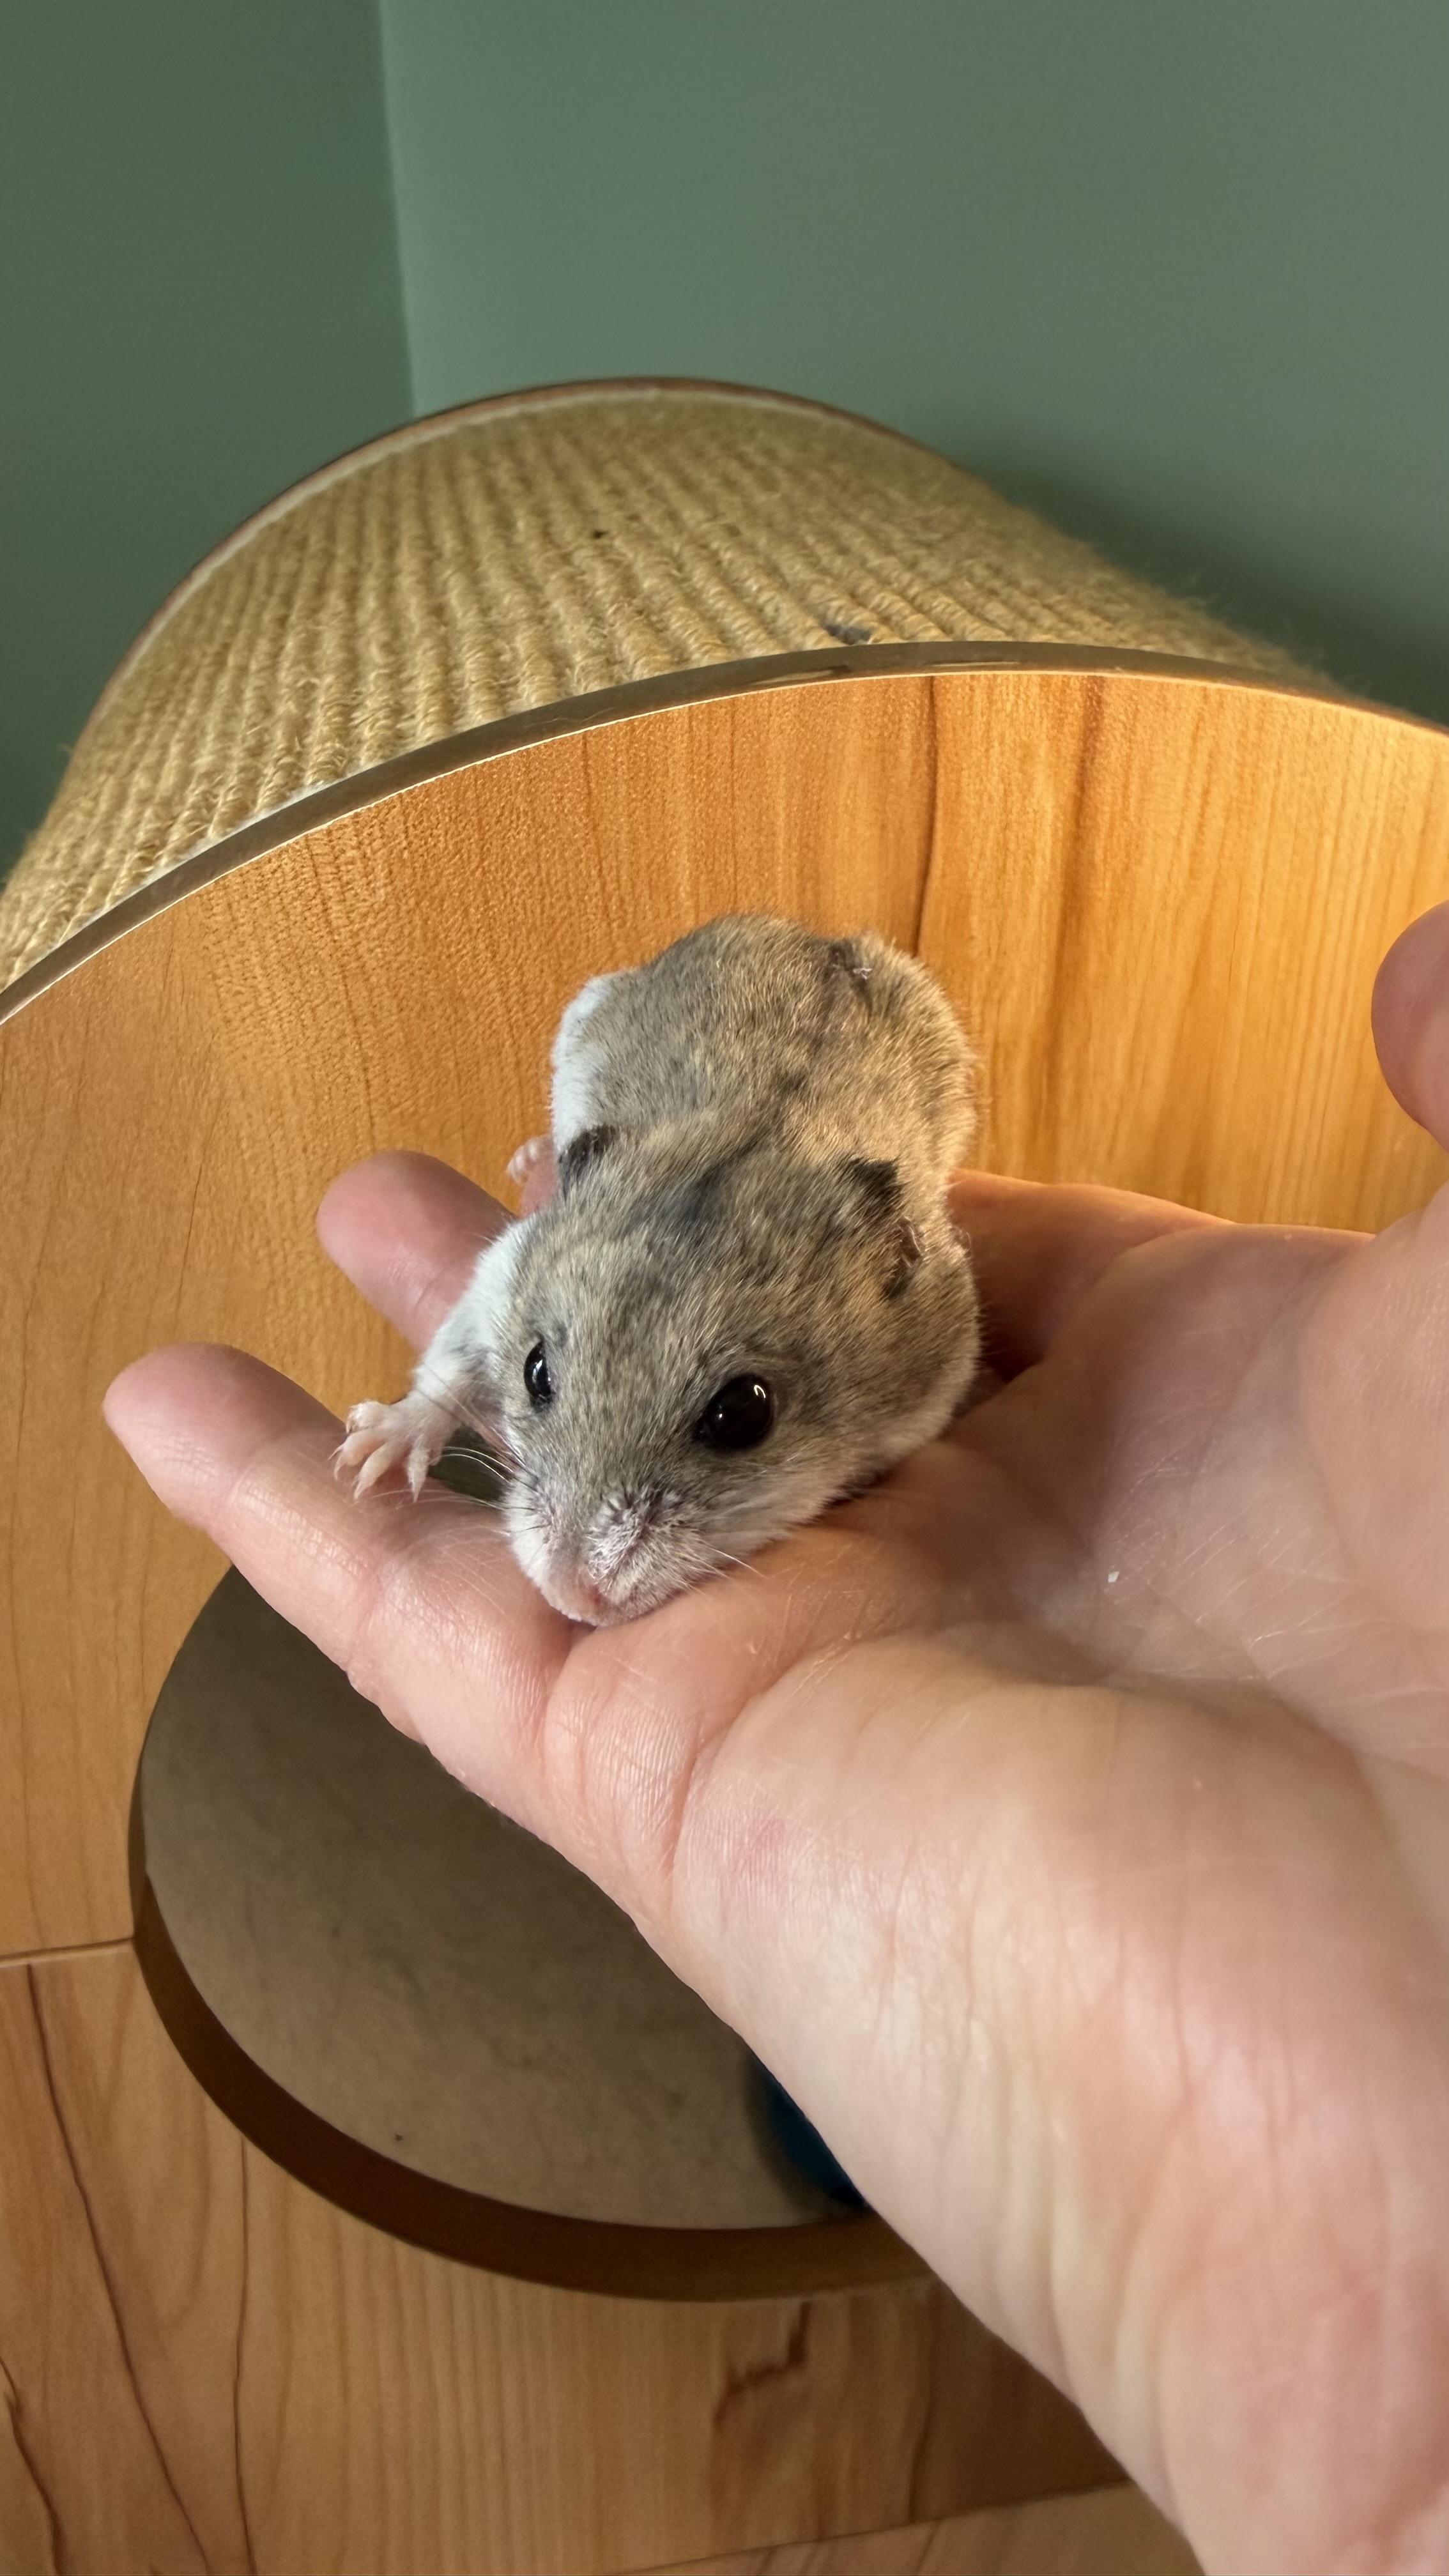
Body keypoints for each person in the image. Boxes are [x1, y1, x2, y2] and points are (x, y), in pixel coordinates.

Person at [105, 905, 1449, 2576]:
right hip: (667, 1066)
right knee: (589, 1116)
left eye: (732, 1420)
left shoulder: (905, 1308)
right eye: (545, 1384)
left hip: (862, 1079)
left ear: (895, 1283)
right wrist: (442, 1397)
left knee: (893, 1049)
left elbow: (905, 1380)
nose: (576, 1566)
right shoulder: (571, 1229)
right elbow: (508, 1294)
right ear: (571, 1192)